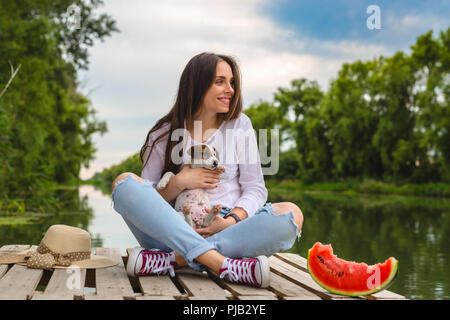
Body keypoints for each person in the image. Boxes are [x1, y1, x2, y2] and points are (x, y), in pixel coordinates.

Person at [111, 52, 303, 288]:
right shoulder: (162, 133)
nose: (230, 89)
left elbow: (255, 189)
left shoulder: (241, 125)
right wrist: (180, 182)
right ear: (197, 86)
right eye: (220, 82)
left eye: (232, 82)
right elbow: (147, 199)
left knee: (292, 215)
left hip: (228, 227)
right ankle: (223, 264)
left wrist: (231, 221)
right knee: (124, 183)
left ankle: (173, 261)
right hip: (173, 228)